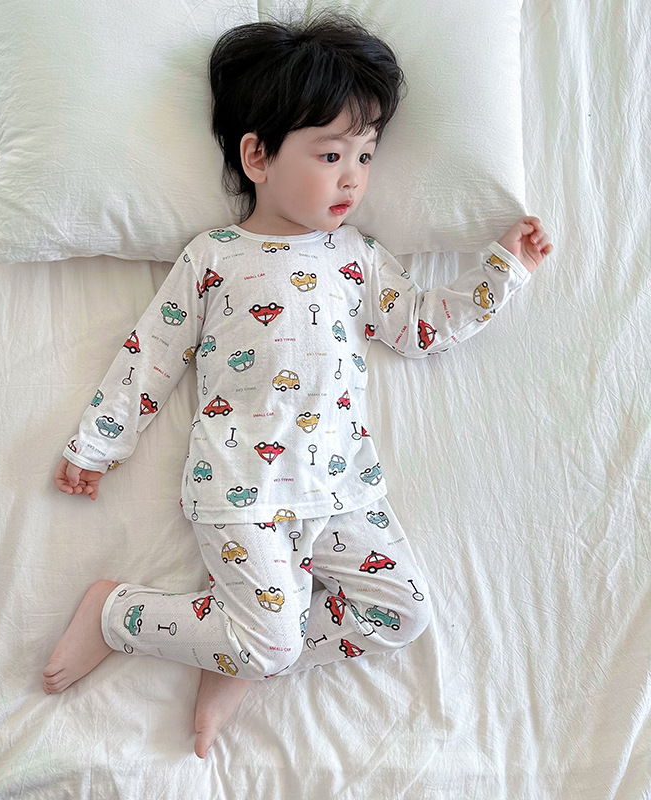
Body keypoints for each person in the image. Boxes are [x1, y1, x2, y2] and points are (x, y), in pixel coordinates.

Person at [42, 13, 553, 759]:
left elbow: (418, 326)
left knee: (402, 611)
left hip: (340, 487)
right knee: (272, 639)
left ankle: (247, 655)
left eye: (366, 155)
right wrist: (97, 445)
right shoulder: (213, 258)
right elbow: (151, 356)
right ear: (258, 156)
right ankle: (117, 615)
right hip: (242, 487)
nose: (353, 177)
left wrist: (502, 270)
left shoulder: (356, 257)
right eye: (331, 154)